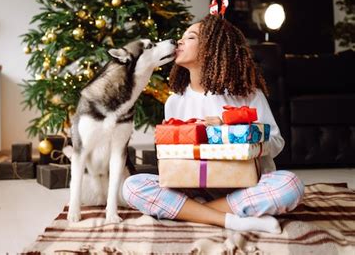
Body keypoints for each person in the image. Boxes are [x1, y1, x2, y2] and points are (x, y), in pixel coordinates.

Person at [122, 13, 304, 234]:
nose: (179, 41)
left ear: (211, 48)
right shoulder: (174, 102)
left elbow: (276, 142)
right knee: (132, 187)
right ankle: (234, 220)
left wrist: (236, 134)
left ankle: (193, 213)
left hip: (245, 186)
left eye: (190, 37)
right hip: (193, 186)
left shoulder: (248, 95)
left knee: (289, 185)